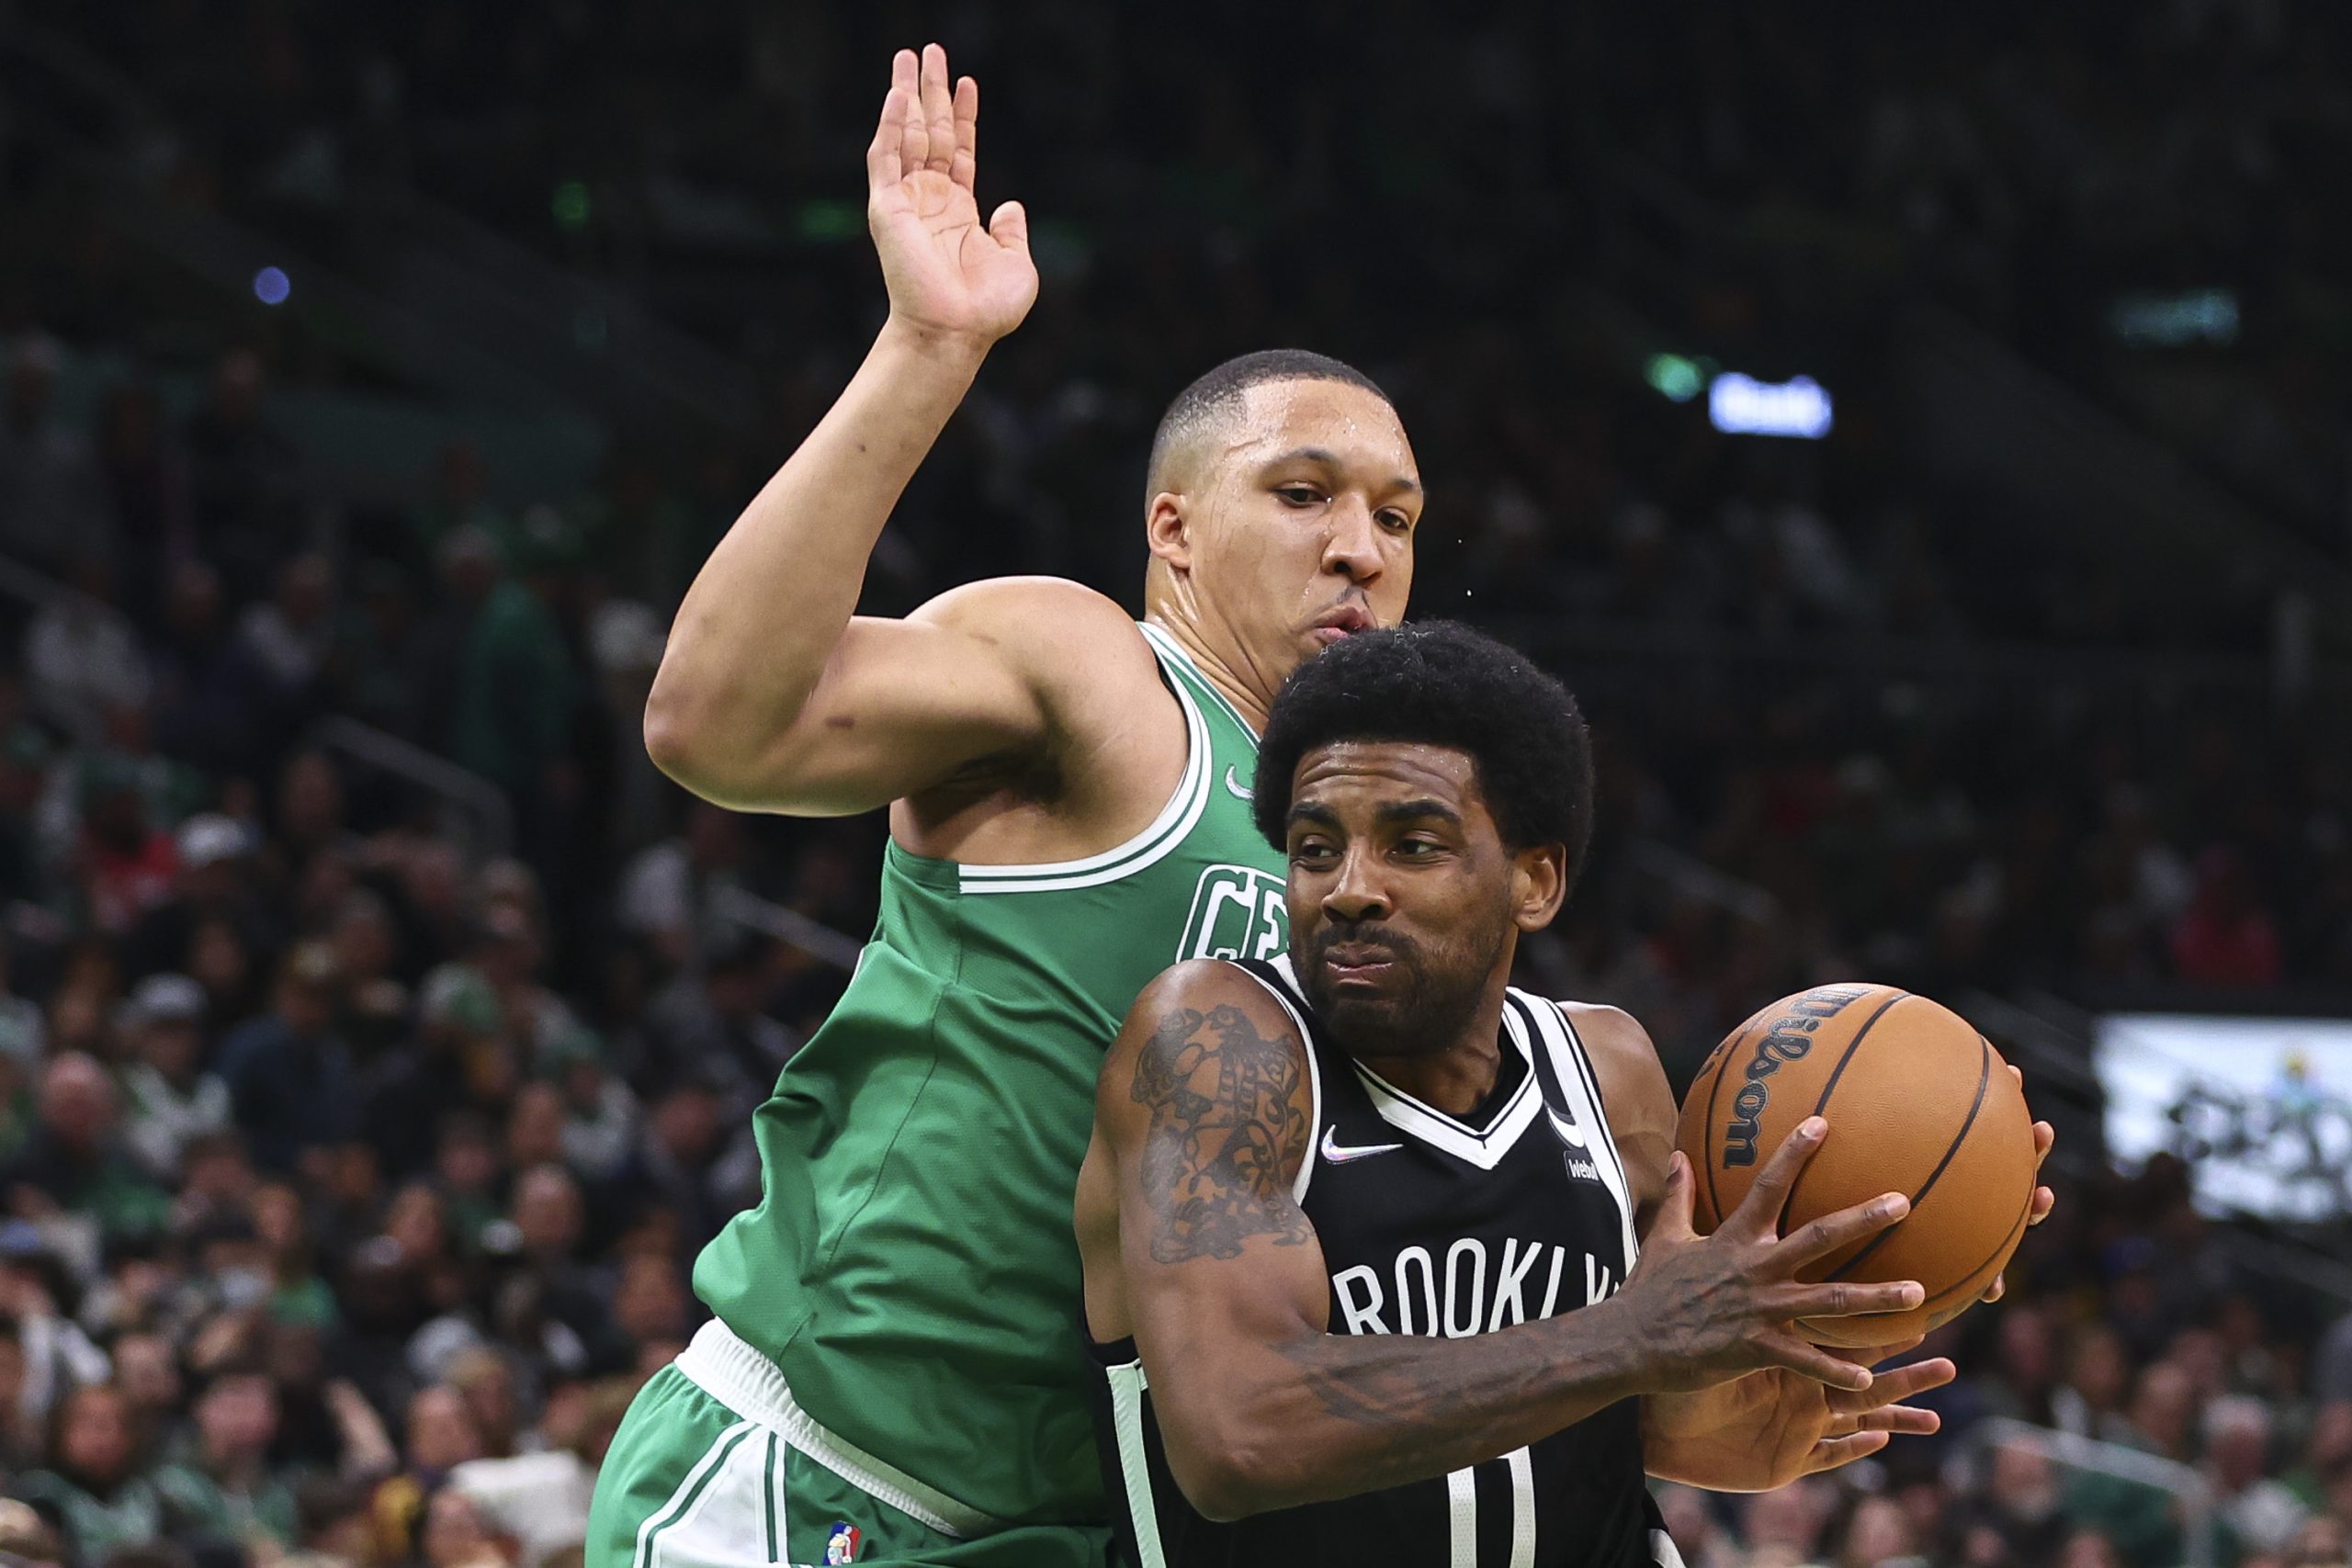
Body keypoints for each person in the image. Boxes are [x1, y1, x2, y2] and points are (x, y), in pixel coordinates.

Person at [591, 40, 1424, 1568]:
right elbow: (713, 722)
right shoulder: (1100, 672)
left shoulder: (1369, 866)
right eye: (1304, 495)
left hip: (1069, 1531)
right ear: (1172, 529)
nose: (1362, 546)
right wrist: (929, 348)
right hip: (827, 1480)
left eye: (1396, 515)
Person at [1074, 624, 2057, 1565]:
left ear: (1534, 882)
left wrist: (1884, 1281)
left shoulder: (1608, 1068)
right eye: (1315, 846)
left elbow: (1633, 1410)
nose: (1348, 889)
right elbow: (1237, 1432)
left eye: (1412, 845)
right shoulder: (1216, 1045)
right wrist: (1631, 1335)